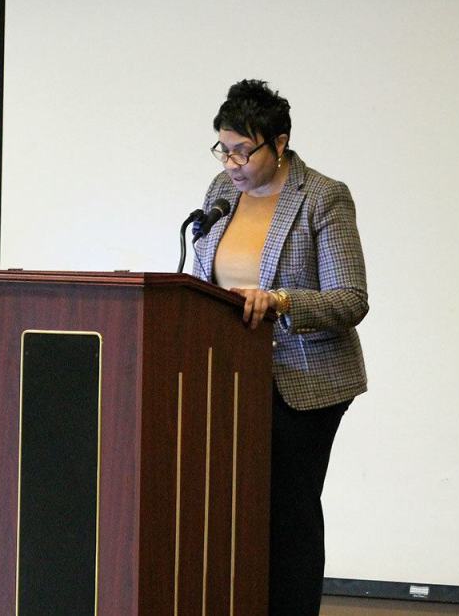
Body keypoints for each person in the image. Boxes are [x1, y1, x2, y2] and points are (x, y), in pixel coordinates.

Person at [192, 79, 368, 615]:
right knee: (234, 507)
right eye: (224, 148)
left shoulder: (322, 196)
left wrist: (282, 302)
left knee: (288, 509)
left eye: (244, 150)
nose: (232, 162)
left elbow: (351, 299)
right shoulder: (220, 195)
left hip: (306, 379)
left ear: (281, 142)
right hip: (232, 374)